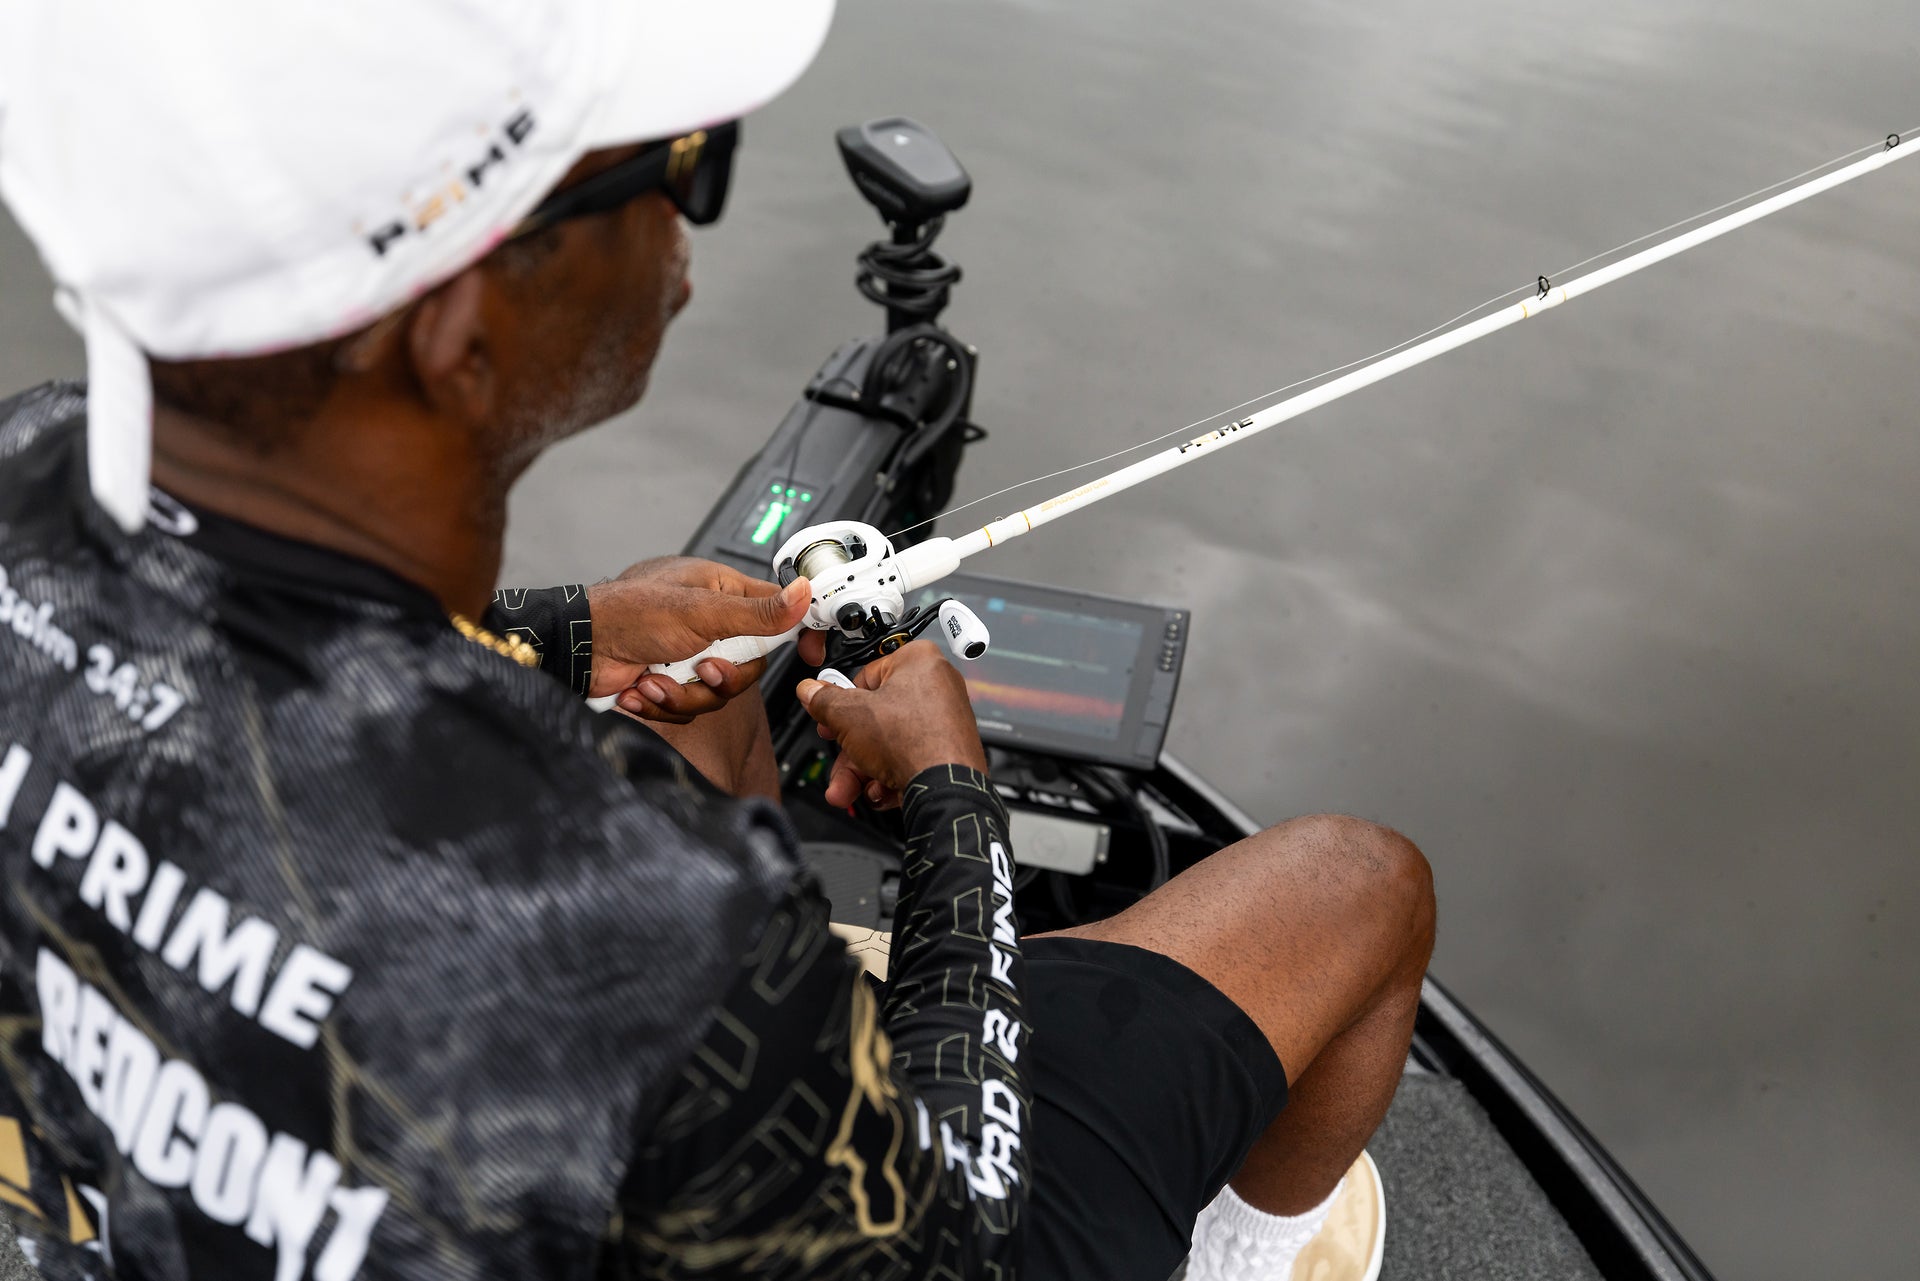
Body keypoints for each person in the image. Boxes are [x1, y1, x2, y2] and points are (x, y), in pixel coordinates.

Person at [0, 2, 1434, 1279]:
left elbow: (238, 648)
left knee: (698, 706)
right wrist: (950, 806)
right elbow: (958, 1228)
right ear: (454, 329)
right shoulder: (640, 917)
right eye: (673, 163)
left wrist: (574, 628)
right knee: (1359, 886)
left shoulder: (30, 463)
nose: (686, 225)